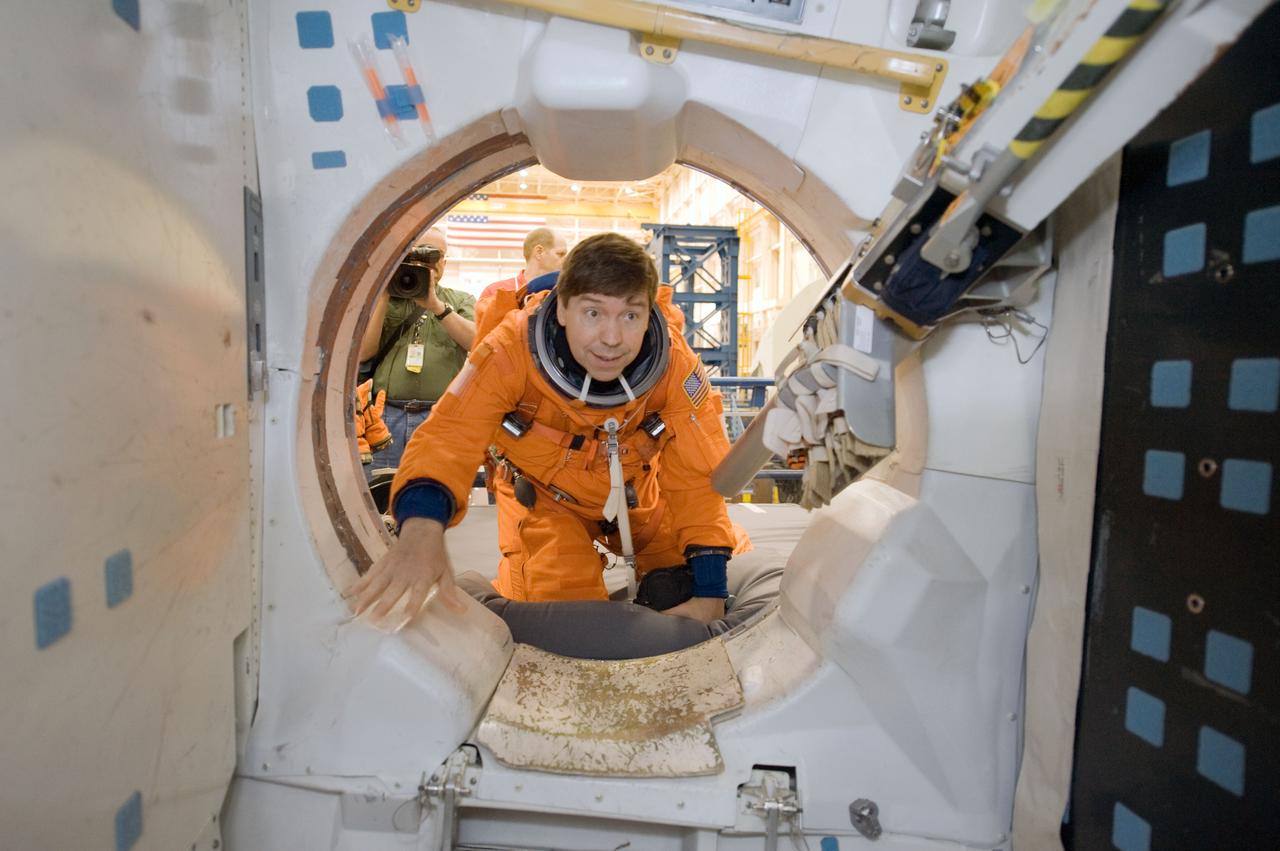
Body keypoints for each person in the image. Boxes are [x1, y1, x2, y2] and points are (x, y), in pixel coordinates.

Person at [351, 233, 748, 630]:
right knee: (570, 619)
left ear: (649, 315)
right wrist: (421, 529)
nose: (611, 338)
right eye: (592, 313)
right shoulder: (510, 348)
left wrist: (711, 592)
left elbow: (697, 476)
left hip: (636, 494)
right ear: (561, 310)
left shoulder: (673, 362)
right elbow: (451, 434)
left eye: (630, 315)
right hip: (543, 499)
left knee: (686, 584)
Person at [357, 228, 476, 476]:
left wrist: (437, 306)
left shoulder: (460, 300)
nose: (425, 260)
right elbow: (364, 353)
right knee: (381, 491)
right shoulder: (384, 299)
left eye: (435, 254)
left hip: (439, 417)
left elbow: (476, 342)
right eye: (417, 252)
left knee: (433, 489)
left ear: (444, 262)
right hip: (384, 417)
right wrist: (384, 292)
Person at [478, 227, 567, 301]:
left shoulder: (565, 293)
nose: (566, 260)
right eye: (560, 254)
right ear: (539, 252)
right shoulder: (494, 292)